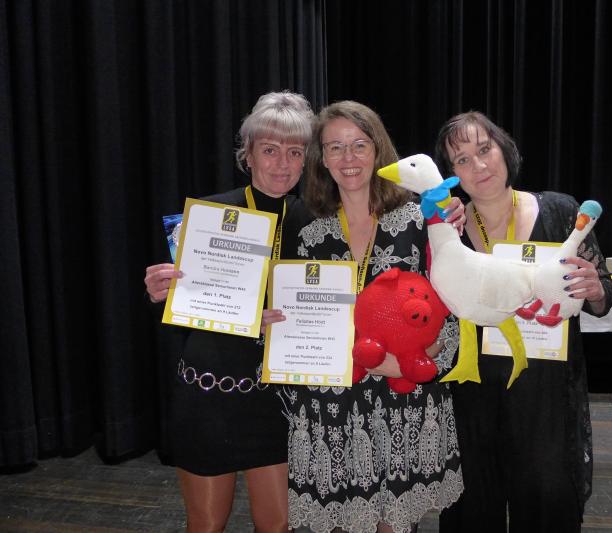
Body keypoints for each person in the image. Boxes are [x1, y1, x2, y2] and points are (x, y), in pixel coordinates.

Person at [276, 101, 464, 533]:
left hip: (404, 396)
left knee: (394, 525)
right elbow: (291, 308)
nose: (349, 157)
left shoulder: (421, 217)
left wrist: (415, 363)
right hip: (332, 401)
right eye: (335, 147)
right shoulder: (305, 228)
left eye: (359, 145)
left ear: (379, 150)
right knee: (340, 522)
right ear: (322, 158)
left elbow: (452, 304)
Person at [433, 111, 612, 532]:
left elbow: (603, 296)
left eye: (485, 149)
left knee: (547, 503)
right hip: (472, 393)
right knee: (472, 508)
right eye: (462, 160)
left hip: (545, 393)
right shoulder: (449, 231)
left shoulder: (561, 211)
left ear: (504, 149)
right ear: (452, 175)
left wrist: (594, 288)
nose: (479, 165)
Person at [144, 91, 314, 533]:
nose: (282, 164)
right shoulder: (208, 215)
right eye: (270, 150)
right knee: (206, 525)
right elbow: (183, 309)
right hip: (210, 390)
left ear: (306, 160)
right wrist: (161, 292)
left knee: (277, 526)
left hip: (276, 403)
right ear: (248, 154)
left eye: (294, 152)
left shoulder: (317, 223)